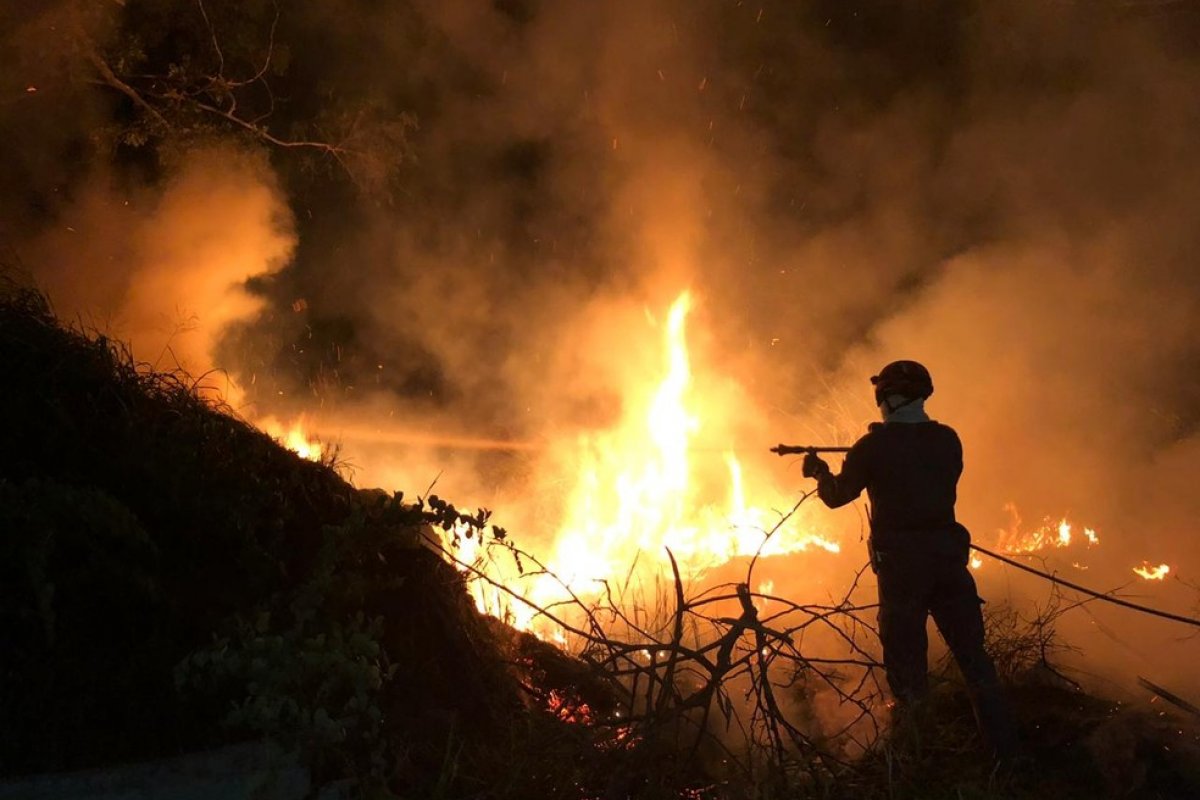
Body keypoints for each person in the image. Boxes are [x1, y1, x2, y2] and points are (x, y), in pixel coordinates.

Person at [801, 360, 1017, 760]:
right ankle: (1004, 754)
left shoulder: (872, 447)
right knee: (974, 658)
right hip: (948, 561)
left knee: (907, 669)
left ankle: (919, 760)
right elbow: (922, 471)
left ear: (886, 397)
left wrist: (820, 472)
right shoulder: (948, 440)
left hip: (903, 569)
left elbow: (836, 496)